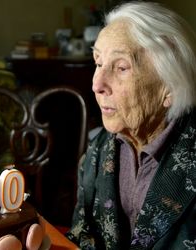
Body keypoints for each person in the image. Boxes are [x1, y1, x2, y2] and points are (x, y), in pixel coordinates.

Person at [66, 1, 196, 249]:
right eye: (98, 62)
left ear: (169, 87)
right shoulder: (97, 151)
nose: (97, 84)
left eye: (121, 67)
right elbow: (81, 234)